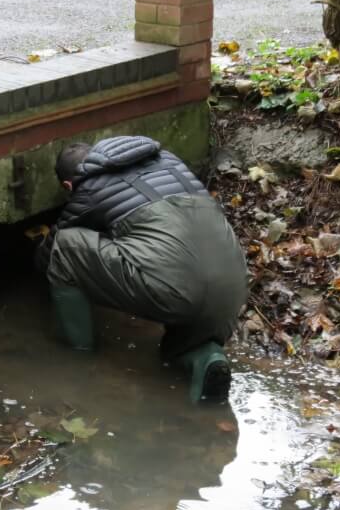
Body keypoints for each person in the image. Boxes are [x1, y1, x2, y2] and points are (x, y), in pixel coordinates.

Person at [35, 136, 247, 402]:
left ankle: (78, 356)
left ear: (68, 185)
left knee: (66, 248)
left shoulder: (88, 186)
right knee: (185, 340)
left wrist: (37, 258)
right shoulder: (170, 161)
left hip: (176, 289)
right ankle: (207, 358)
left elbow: (56, 248)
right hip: (233, 286)